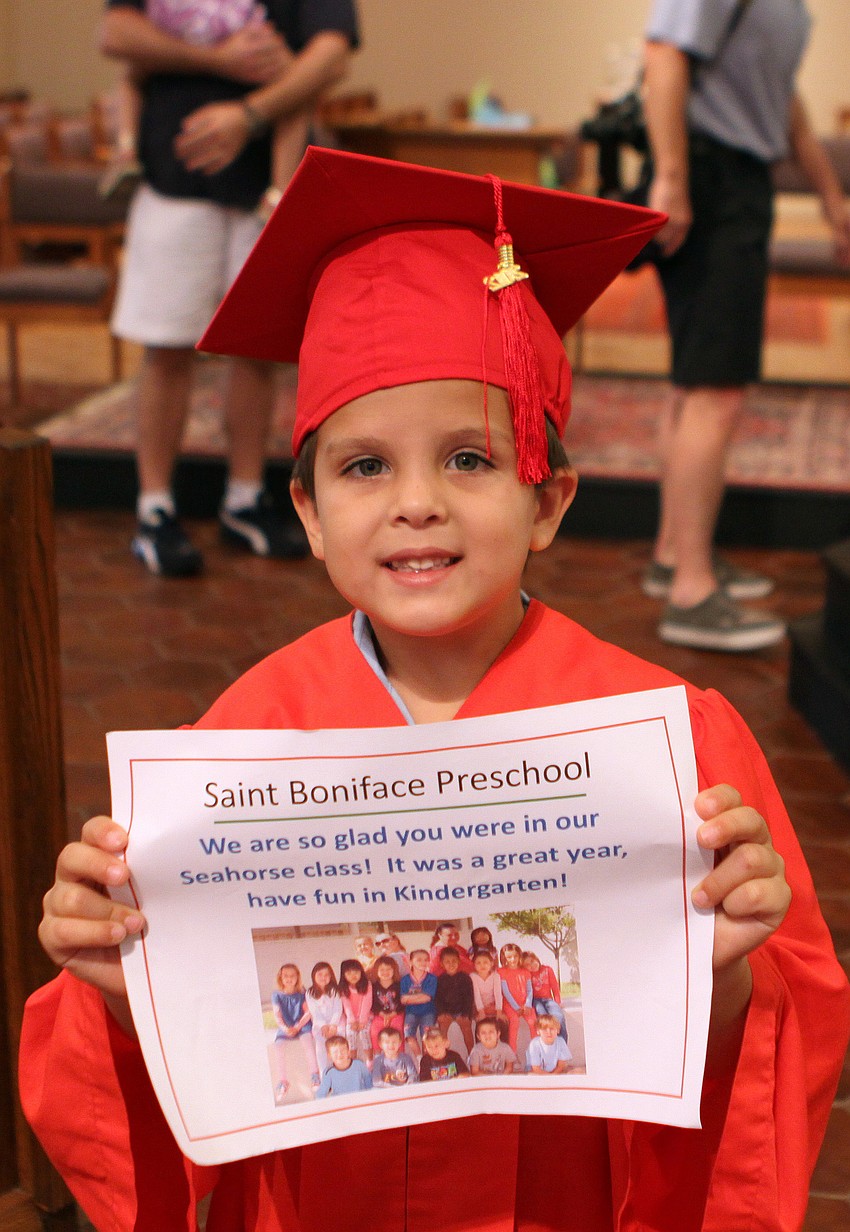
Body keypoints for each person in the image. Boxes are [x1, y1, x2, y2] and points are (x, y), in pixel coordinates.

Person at [22, 149, 849, 1232]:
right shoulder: (242, 748)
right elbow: (141, 1091)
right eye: (364, 467)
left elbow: (774, 1043)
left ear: (547, 498)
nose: (416, 503)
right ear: (308, 514)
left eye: (469, 457)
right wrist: (129, 989)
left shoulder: (673, 746)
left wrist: (727, 974)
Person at [98, 0, 358, 576]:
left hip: (264, 193)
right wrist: (218, 57)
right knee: (165, 350)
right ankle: (155, 506)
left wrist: (251, 113)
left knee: (259, 354)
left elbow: (330, 54)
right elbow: (116, 32)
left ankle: (244, 497)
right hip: (173, 184)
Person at [641, 0, 850, 650]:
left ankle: (676, 557)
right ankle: (693, 594)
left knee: (694, 382)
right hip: (710, 179)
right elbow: (663, 56)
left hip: (734, 179)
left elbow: (780, 100)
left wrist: (830, 198)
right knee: (716, 389)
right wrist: (673, 179)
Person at [101, 1, 309, 221]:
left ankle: (279, 191)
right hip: (168, 183)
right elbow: (115, 36)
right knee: (131, 72)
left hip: (246, 42)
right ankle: (125, 151)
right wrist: (219, 58)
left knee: (290, 84)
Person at [271, 962, 319, 1093]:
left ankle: (315, 1075)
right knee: (279, 1046)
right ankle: (283, 1080)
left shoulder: (303, 993)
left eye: (292, 975)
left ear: (298, 977)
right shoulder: (277, 995)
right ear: (280, 977)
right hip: (285, 1026)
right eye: (285, 975)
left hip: (302, 1026)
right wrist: (286, 1029)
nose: (289, 978)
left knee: (308, 1043)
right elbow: (277, 1014)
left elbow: (308, 1012)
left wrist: (297, 1027)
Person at [305, 960, 343, 1077]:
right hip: (319, 1026)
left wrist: (332, 1025)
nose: (323, 977)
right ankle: (324, 1075)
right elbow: (314, 1011)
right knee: (321, 1046)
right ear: (314, 976)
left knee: (337, 1046)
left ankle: (339, 1071)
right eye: (320, 975)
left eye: (326, 975)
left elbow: (338, 1008)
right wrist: (323, 1026)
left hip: (335, 1024)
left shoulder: (334, 990)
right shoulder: (310, 992)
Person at [434, 946, 476, 1054]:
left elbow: (469, 997)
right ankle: (444, 1056)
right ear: (442, 964)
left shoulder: (465, 978)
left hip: (461, 1012)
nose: (451, 964)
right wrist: (441, 1013)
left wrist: (466, 1014)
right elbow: (438, 998)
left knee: (467, 1030)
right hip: (446, 1012)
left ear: (458, 962)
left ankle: (472, 1057)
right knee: (442, 1032)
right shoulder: (440, 979)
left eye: (454, 961)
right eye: (447, 962)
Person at [523, 951, 569, 1044]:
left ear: (536, 958)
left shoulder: (547, 970)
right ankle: (548, 1044)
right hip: (535, 1001)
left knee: (559, 1017)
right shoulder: (527, 975)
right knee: (543, 1017)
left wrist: (558, 1001)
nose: (532, 965)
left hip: (548, 999)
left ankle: (562, 1045)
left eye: (532, 961)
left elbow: (555, 987)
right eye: (527, 965)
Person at [399, 947, 437, 1055]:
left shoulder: (432, 978)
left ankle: (427, 1058)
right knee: (409, 1035)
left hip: (428, 1012)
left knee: (427, 1037)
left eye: (426, 960)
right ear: (411, 961)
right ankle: (420, 1058)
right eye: (419, 960)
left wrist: (410, 998)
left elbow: (428, 997)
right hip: (411, 1013)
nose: (423, 962)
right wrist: (420, 996)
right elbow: (402, 1000)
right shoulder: (405, 979)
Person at [337, 957, 373, 1065]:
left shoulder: (367, 985)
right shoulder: (343, 988)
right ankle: (353, 1062)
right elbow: (346, 1005)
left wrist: (362, 1021)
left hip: (366, 1017)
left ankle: (370, 1061)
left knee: (364, 1033)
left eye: (356, 972)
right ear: (343, 975)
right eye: (349, 973)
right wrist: (352, 1021)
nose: (353, 976)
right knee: (350, 1035)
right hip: (350, 1019)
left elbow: (367, 1003)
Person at [369, 956, 405, 1055]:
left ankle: (400, 1054)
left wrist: (392, 1014)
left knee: (397, 1028)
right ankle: (377, 1055)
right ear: (376, 971)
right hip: (380, 1015)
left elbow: (402, 1003)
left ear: (394, 970)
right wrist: (382, 1014)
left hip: (396, 1014)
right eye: (382, 970)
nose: (385, 972)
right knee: (375, 1031)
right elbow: (373, 1004)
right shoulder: (373, 986)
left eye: (388, 969)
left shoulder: (399, 985)